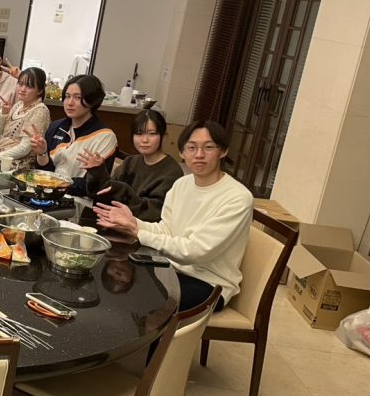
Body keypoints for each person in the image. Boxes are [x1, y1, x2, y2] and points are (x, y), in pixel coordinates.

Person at [93, 120, 253, 312]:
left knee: (138, 296)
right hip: (171, 269)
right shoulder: (182, 185)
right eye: (191, 148)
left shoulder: (237, 197)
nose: (199, 154)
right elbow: (166, 229)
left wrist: (138, 232)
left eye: (208, 147)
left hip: (209, 283)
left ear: (224, 151)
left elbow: (194, 252)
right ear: (182, 153)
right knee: (112, 276)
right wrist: (133, 222)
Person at [85, 108, 183, 222]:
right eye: (139, 133)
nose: (144, 140)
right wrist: (97, 172)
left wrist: (122, 190)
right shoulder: (130, 162)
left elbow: (153, 214)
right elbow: (105, 195)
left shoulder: (172, 172)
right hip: (114, 222)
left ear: (164, 137)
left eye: (152, 134)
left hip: (143, 230)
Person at [26, 74, 117, 196]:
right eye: (67, 96)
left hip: (78, 200)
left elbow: (92, 186)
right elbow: (44, 173)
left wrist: (55, 185)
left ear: (92, 100)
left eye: (78, 97)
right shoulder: (56, 127)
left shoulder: (105, 136)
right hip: (48, 193)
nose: (69, 103)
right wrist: (42, 153)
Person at [0, 67, 50, 160]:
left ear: (40, 91)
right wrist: (3, 113)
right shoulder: (18, 105)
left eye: (29, 86)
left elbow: (25, 148)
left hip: (19, 163)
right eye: (20, 84)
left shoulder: (40, 111)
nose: (22, 89)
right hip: (2, 153)